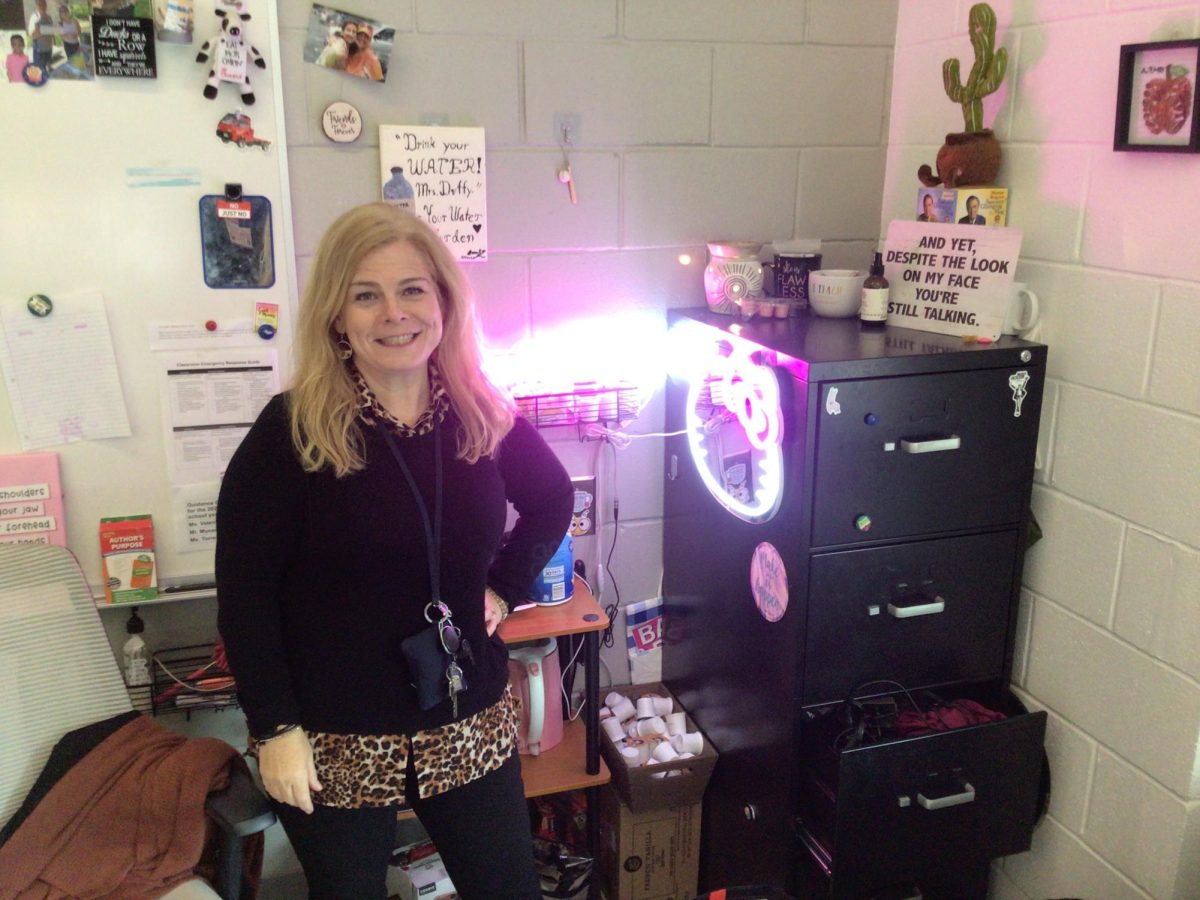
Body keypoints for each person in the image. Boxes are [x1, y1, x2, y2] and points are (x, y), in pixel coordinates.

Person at [216, 203, 573, 900]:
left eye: (412, 289)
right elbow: (246, 593)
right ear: (336, 315)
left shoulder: (481, 410)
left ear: (442, 298)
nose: (393, 314)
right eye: (365, 295)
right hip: (334, 729)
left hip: (461, 711)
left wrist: (500, 587)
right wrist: (275, 728)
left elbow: (553, 499)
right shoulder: (293, 431)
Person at [27, 0, 55, 73]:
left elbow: (52, 33)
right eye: (40, 5)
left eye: (44, 4)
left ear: (46, 5)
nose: (42, 6)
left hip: (49, 49)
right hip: (39, 50)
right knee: (40, 71)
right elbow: (32, 36)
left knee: (49, 70)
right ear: (36, 6)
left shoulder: (49, 17)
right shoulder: (34, 17)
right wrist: (43, 31)